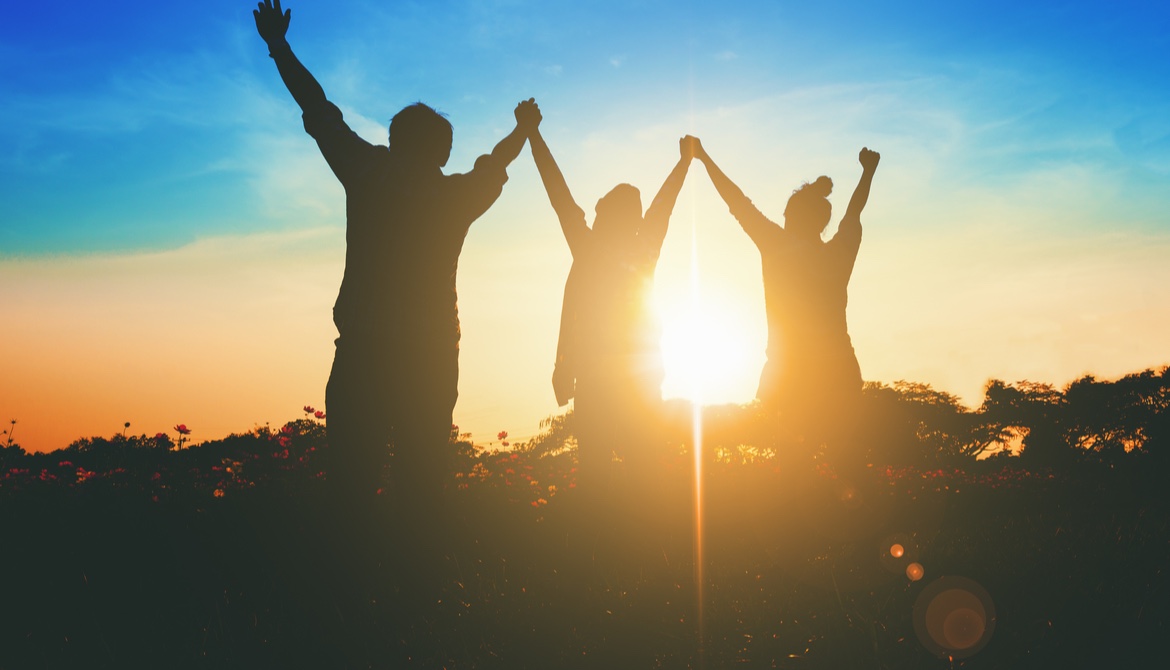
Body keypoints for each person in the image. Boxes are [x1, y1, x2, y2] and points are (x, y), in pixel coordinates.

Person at [254, 0, 539, 502]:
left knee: (352, 485)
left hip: (364, 353)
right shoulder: (454, 197)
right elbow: (495, 163)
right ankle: (418, 572)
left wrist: (279, 46)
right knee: (423, 485)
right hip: (429, 356)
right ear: (444, 152)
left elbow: (318, 109)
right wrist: (523, 128)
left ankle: (351, 574)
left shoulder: (368, 174)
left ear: (391, 139)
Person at [528, 116, 695, 492]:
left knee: (598, 474)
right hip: (636, 377)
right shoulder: (642, 247)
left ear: (604, 214)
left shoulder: (589, 250)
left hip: (601, 377)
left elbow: (559, 195)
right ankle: (640, 541)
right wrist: (683, 162)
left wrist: (534, 135)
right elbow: (663, 205)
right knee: (641, 470)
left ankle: (607, 540)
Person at [692, 140, 880, 447]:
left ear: (791, 218)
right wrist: (868, 173)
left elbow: (737, 203)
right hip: (838, 374)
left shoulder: (777, 247)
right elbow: (854, 211)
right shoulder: (839, 253)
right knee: (848, 470)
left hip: (789, 377)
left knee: (791, 479)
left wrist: (702, 157)